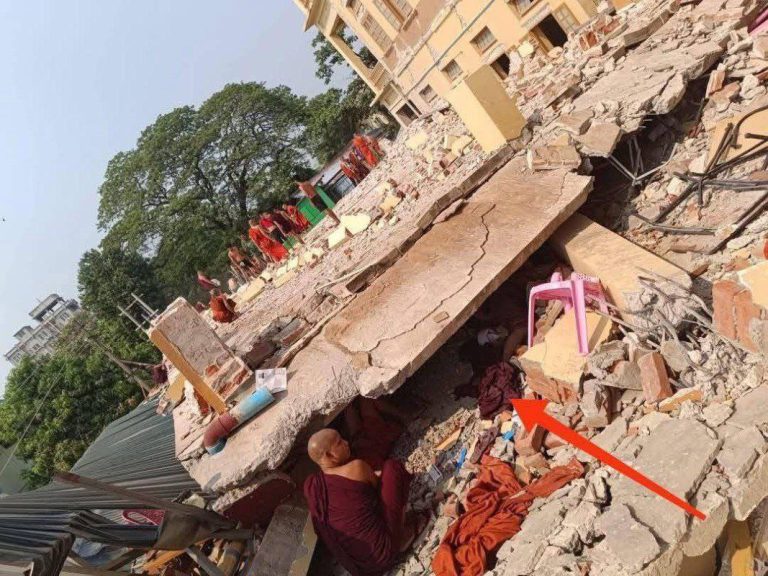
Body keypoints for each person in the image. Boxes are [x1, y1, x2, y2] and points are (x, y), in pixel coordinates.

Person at [303, 428, 422, 576]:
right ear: (329, 455)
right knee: (392, 468)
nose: (346, 443)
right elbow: (379, 489)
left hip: (361, 568)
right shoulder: (356, 467)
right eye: (339, 442)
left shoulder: (312, 486)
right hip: (385, 552)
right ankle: (400, 535)